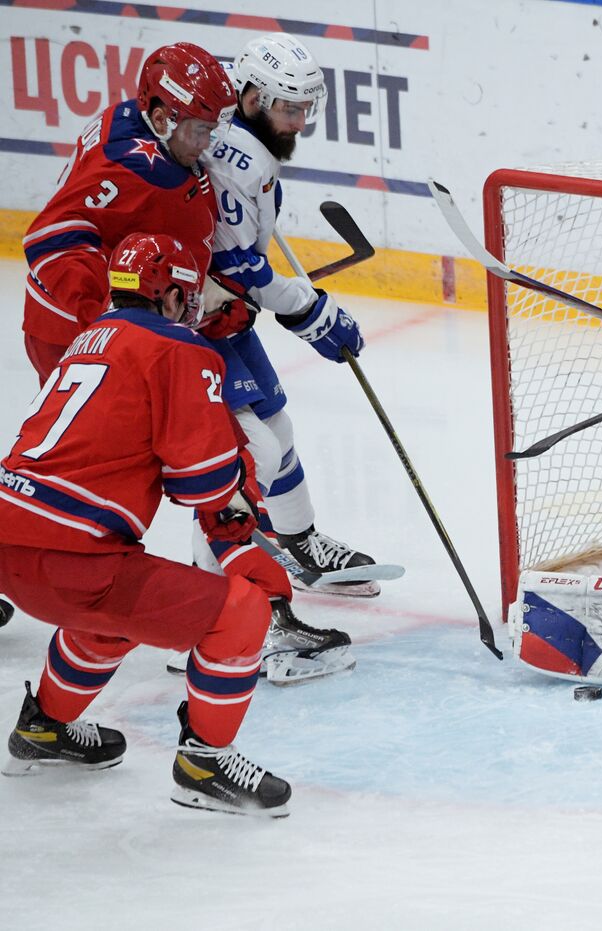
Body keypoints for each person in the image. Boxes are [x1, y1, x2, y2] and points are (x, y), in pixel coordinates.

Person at [0, 233, 291, 816]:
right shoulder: (182, 351)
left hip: (13, 545)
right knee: (240, 612)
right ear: (175, 294)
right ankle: (203, 764)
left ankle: (44, 729)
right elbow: (200, 485)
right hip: (75, 560)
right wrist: (238, 519)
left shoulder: (90, 338)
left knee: (116, 618)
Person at [197, 33, 376, 598]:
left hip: (220, 310)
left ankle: (300, 543)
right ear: (252, 98)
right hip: (193, 320)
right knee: (245, 460)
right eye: (289, 108)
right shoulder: (239, 161)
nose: (300, 121)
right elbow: (239, 269)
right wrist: (309, 310)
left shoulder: (233, 126)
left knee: (277, 428)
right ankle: (213, 604)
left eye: (306, 108)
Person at [20, 43, 234, 384]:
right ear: (163, 118)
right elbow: (51, 238)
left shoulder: (135, 117)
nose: (206, 144)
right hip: (71, 332)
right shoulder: (133, 169)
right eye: (200, 131)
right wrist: (103, 317)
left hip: (105, 325)